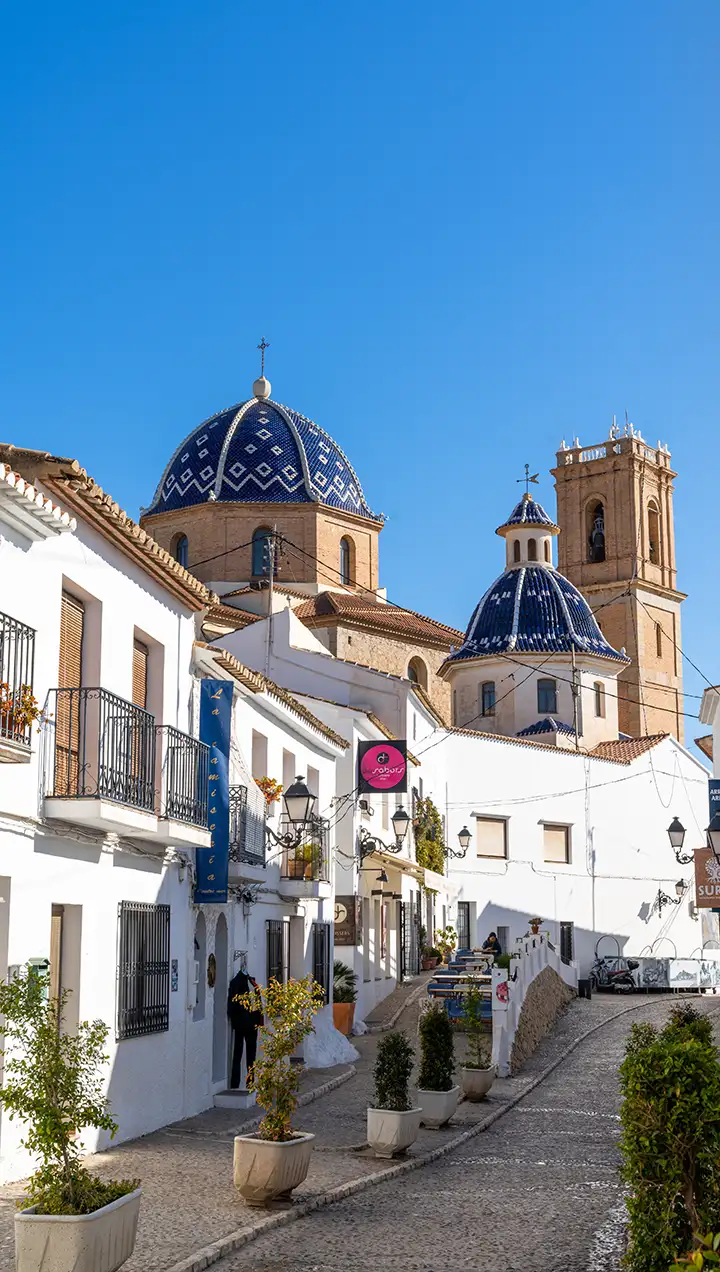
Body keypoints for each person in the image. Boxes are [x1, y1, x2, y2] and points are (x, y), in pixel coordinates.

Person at [227, 968, 263, 1090]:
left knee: (251, 1055)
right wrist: (235, 1018)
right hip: (241, 1024)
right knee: (238, 1053)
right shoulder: (236, 982)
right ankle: (235, 1084)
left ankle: (250, 1083)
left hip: (252, 1023)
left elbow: (258, 1002)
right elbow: (232, 1003)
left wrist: (258, 1020)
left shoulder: (251, 981)